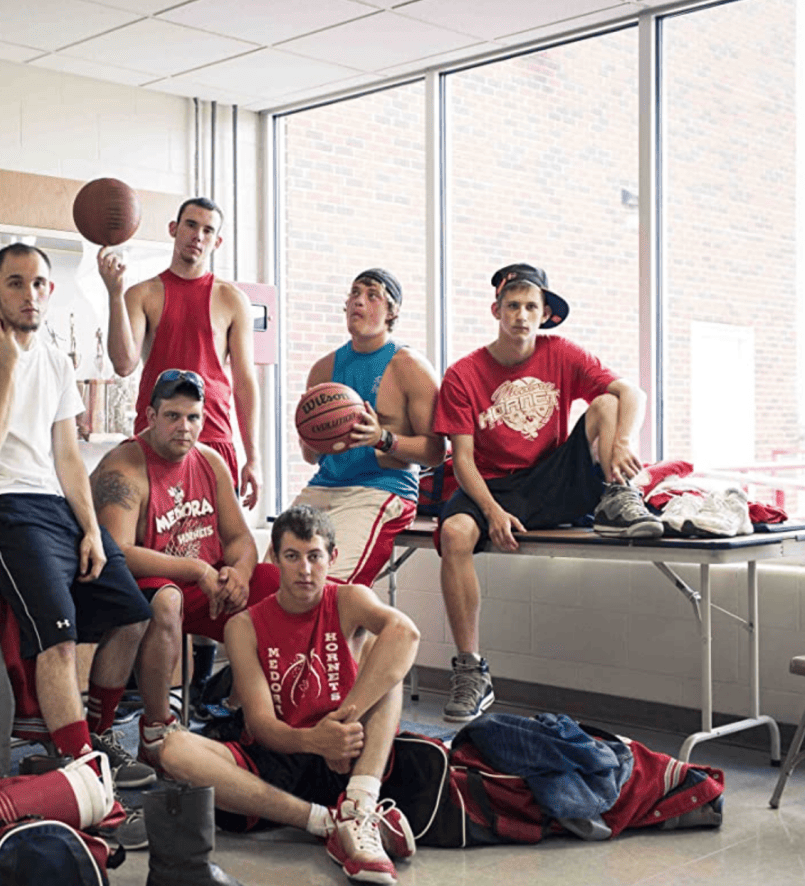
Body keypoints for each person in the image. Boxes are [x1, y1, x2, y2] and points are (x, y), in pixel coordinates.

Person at [0, 242, 155, 789]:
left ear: (50, 290)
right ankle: (82, 770)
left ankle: (96, 739)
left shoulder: (59, 361)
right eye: (16, 283)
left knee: (134, 615)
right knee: (57, 638)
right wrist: (9, 364)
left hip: (55, 509)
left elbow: (68, 457)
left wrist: (91, 530)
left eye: (38, 283)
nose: (29, 294)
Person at [434, 263, 662, 723]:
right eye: (512, 306)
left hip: (551, 477)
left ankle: (617, 496)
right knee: (455, 533)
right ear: (496, 311)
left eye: (530, 307)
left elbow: (632, 393)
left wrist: (621, 443)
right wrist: (492, 511)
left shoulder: (561, 352)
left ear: (544, 315)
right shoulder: (463, 374)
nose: (521, 315)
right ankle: (471, 670)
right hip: (492, 484)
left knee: (607, 402)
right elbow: (462, 460)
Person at [159, 506, 421, 886]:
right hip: (284, 753)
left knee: (390, 665)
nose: (305, 570)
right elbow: (262, 725)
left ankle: (360, 803)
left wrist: (341, 726)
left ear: (332, 558)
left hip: (349, 753)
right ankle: (327, 823)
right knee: (173, 750)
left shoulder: (350, 599)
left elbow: (407, 633)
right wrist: (315, 740)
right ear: (275, 558)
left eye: (315, 556)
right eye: (293, 556)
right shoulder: (244, 626)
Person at [89, 368, 279, 768]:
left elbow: (240, 539)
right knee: (167, 599)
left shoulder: (211, 461)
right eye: (173, 416)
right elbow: (118, 551)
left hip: (203, 584)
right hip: (141, 583)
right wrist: (197, 570)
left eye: (193, 417)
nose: (184, 427)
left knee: (282, 587)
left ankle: (260, 717)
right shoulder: (125, 465)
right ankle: (156, 731)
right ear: (150, 416)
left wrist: (240, 573)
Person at [98, 196, 262, 510]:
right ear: (174, 229)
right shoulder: (141, 294)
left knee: (215, 538)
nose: (197, 236)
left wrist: (254, 458)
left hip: (213, 439)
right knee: (152, 535)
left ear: (217, 242)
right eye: (190, 225)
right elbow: (123, 364)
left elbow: (245, 382)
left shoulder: (233, 299)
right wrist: (114, 295)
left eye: (207, 230)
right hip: (156, 439)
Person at [290, 267, 444, 586]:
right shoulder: (322, 370)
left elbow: (435, 452)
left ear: (392, 312)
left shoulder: (411, 367)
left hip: (381, 489)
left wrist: (383, 438)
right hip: (324, 487)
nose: (359, 301)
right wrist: (310, 432)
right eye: (355, 293)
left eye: (373, 295)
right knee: (271, 581)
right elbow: (310, 457)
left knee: (324, 586)